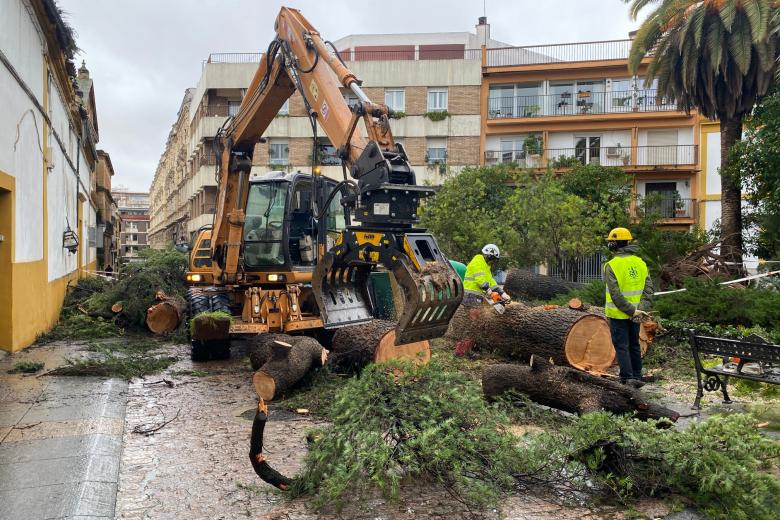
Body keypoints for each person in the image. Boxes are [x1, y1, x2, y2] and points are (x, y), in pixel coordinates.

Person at [604, 227, 654, 388]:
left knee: (622, 346)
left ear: (613, 245)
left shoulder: (612, 265)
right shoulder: (641, 263)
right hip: (637, 312)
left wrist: (632, 311)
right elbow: (649, 290)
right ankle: (637, 376)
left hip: (619, 314)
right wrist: (640, 309)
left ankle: (627, 378)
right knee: (634, 344)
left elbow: (615, 295)